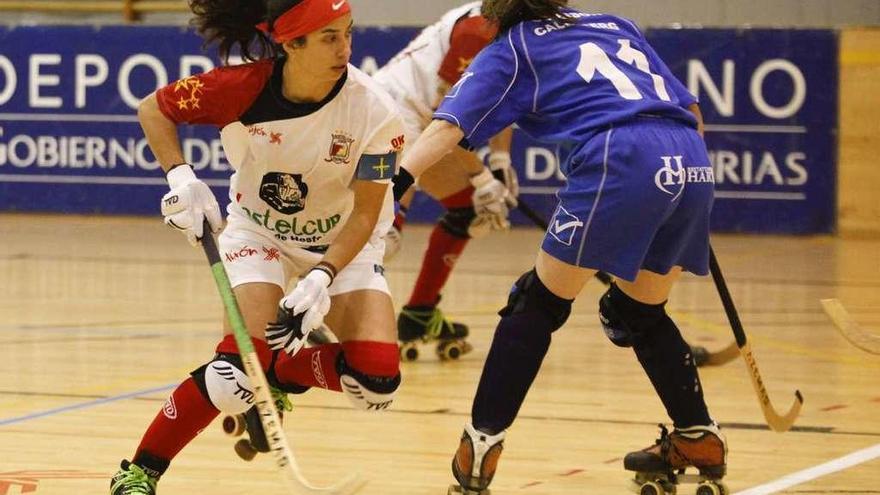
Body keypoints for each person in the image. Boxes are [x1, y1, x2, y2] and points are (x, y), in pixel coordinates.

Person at [390, 1, 727, 493]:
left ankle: (480, 447)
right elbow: (692, 112)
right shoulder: (614, 23)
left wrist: (395, 184)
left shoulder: (514, 46)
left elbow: (447, 127)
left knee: (536, 303)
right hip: (690, 160)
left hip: (620, 157)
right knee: (638, 313)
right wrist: (678, 181)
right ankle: (699, 437)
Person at [110, 0, 404, 493]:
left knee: (376, 386)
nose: (346, 48)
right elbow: (154, 109)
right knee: (233, 379)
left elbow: (367, 214)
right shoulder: (243, 87)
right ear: (292, 44)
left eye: (348, 33)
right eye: (329, 37)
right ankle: (139, 471)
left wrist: (321, 276)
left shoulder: (376, 112)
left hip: (342, 243)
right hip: (259, 233)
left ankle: (278, 369)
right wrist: (181, 178)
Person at [371, 1, 519, 359]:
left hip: (426, 122)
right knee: (381, 237)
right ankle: (323, 315)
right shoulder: (478, 30)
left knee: (469, 211)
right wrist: (482, 177)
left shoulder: (519, 30)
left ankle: (418, 315)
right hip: (394, 113)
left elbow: (506, 97)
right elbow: (448, 114)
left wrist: (500, 161)